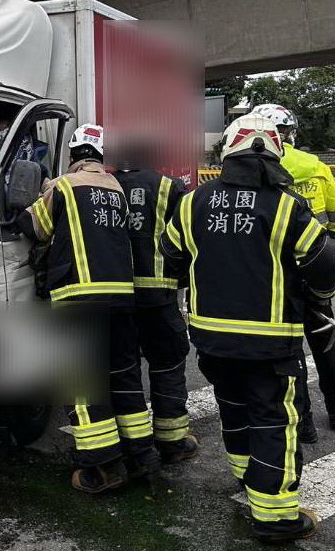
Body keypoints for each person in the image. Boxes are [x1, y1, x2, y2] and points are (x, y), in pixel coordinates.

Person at [160, 114, 335, 543]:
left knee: (233, 409)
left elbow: (170, 255)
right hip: (270, 341)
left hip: (210, 339)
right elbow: (325, 262)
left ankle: (246, 476)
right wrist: (314, 295)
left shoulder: (192, 202)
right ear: (274, 152)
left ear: (227, 152)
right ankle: (276, 517)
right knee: (273, 419)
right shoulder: (286, 205)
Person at [16, 124, 158, 493]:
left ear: (73, 156)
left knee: (82, 381)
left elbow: (33, 225)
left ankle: (102, 466)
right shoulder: (117, 189)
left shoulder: (63, 186)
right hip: (122, 297)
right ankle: (141, 454)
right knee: (124, 375)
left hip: (78, 295)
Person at [251, 104, 335, 436]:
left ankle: (304, 421)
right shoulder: (316, 166)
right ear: (290, 131)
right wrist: (333, 248)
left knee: (290, 348)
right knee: (324, 339)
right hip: (319, 268)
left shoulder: (258, 169)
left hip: (279, 275)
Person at [112, 142, 199, 464]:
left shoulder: (107, 187)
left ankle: (132, 442)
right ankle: (173, 441)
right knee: (168, 364)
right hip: (160, 297)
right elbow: (186, 242)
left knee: (125, 369)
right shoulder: (169, 188)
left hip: (117, 297)